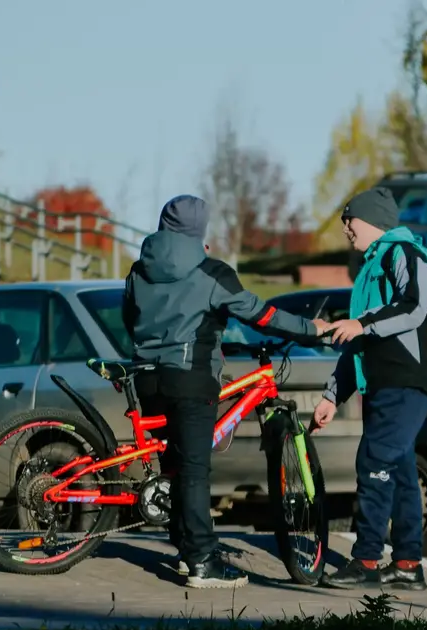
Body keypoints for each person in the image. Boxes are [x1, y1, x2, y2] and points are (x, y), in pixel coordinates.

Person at [122, 194, 329, 589]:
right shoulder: (212, 272)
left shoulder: (139, 268)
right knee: (196, 469)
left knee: (176, 463)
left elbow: (129, 317)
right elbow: (261, 314)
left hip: (148, 378)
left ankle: (185, 547)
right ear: (201, 229)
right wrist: (310, 329)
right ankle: (202, 561)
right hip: (191, 376)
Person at [312, 186, 427, 591]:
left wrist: (361, 324)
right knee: (398, 471)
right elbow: (359, 340)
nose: (346, 228)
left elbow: (416, 306)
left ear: (371, 220)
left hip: (407, 380)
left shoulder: (405, 253)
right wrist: (334, 394)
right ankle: (406, 565)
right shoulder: (369, 268)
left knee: (373, 460)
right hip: (381, 384)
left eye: (350, 220)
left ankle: (366, 558)